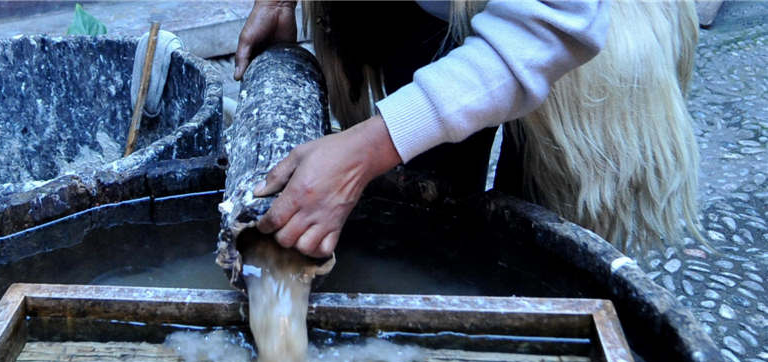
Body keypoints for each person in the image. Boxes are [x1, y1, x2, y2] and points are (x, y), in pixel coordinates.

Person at [233, 0, 701, 257]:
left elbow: (560, 21)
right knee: (426, 205)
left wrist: (365, 149)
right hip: (426, 11)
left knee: (534, 250)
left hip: (582, 37)